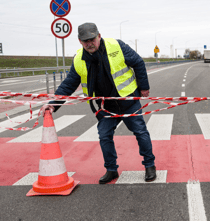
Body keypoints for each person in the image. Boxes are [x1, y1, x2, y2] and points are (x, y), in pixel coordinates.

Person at [41, 22, 156, 184]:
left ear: (99, 36)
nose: (89, 43)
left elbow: (138, 62)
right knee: (104, 135)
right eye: (85, 41)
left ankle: (150, 166)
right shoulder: (79, 59)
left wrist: (144, 87)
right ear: (80, 41)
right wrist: (53, 104)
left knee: (140, 132)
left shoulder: (117, 46)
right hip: (105, 107)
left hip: (128, 101)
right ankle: (111, 170)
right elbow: (69, 84)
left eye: (92, 39)